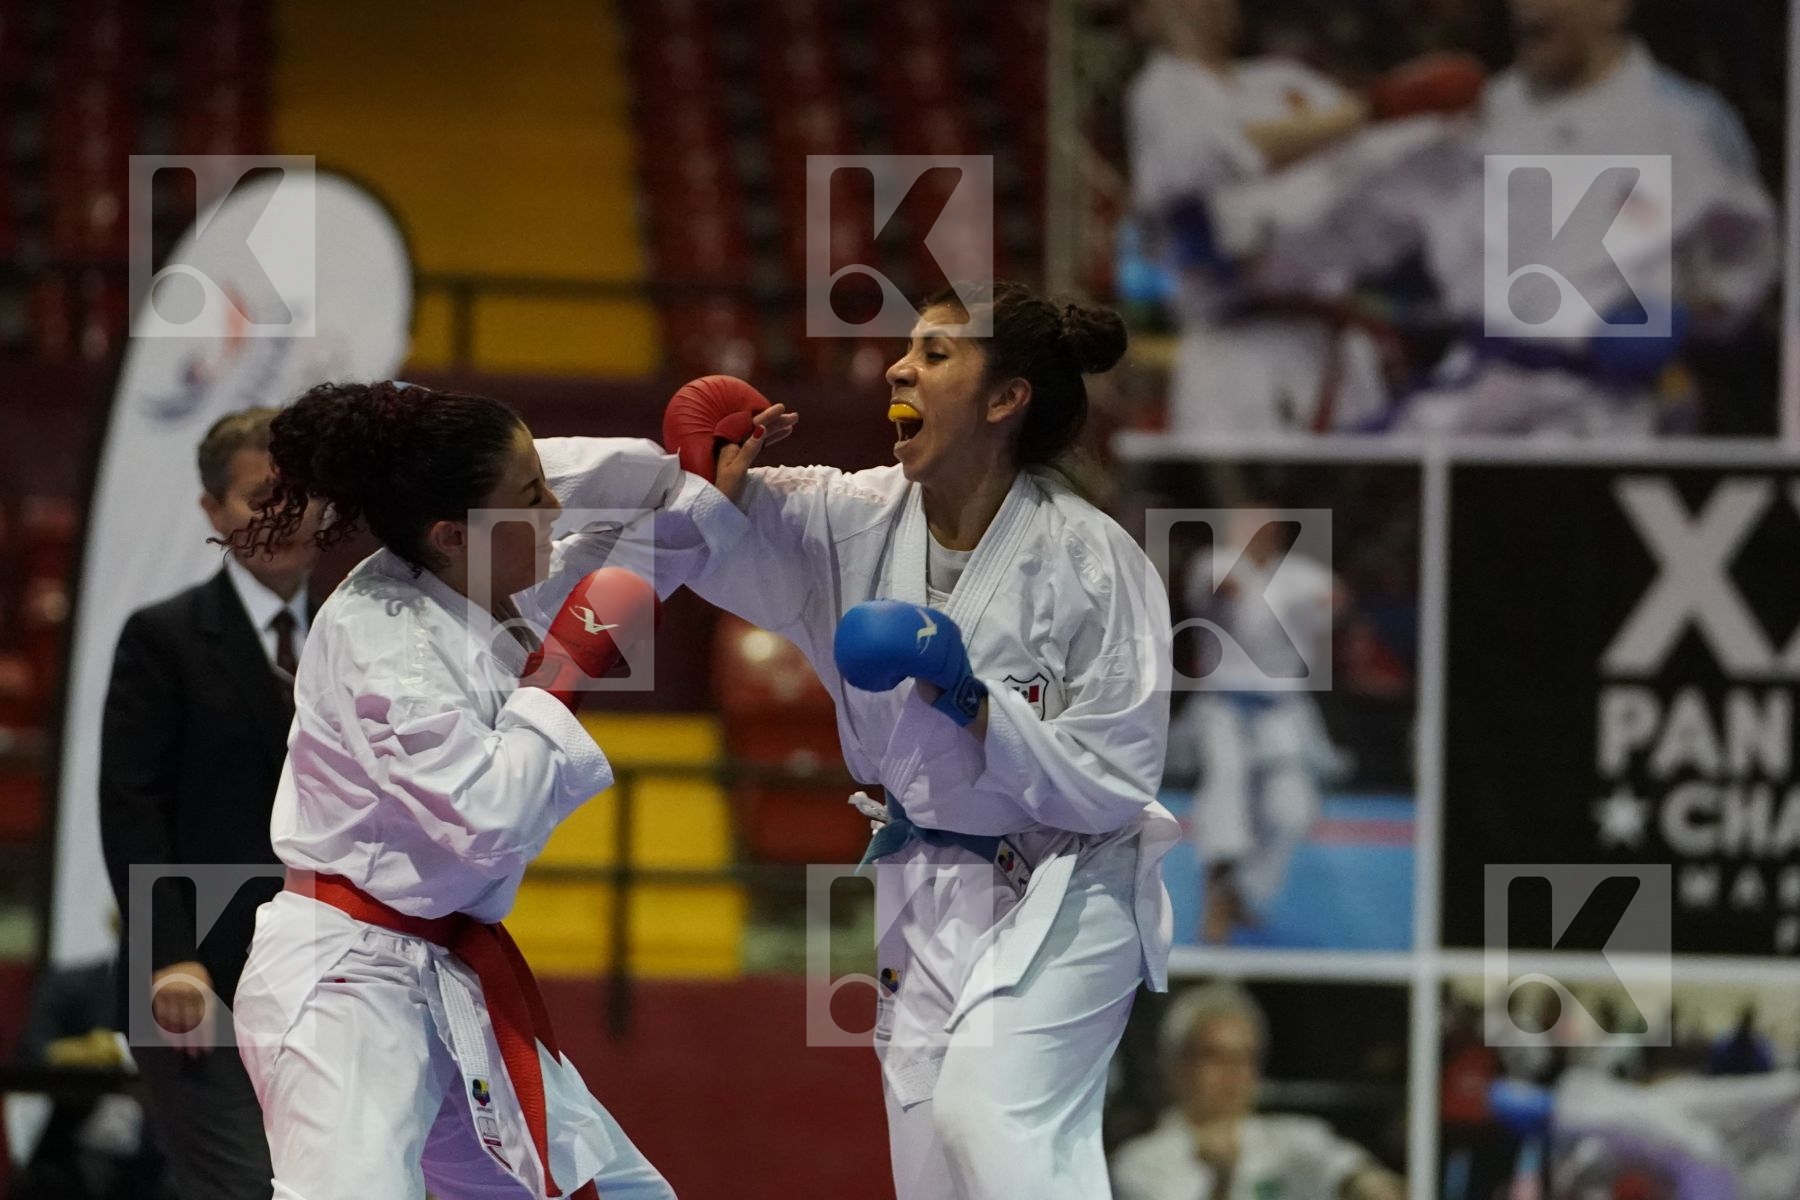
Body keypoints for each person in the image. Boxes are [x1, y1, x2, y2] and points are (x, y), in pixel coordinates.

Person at [675, 281, 1180, 1199]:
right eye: (908, 351)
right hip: (929, 886)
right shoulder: (849, 516)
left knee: (986, 1119)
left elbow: (1116, 782)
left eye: (935, 354)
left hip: (1071, 884)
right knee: (935, 1176)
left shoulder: (1096, 564)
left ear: (1004, 399)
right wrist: (708, 486)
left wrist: (970, 696)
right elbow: (703, 536)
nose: (899, 368)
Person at [227, 380, 768, 1199]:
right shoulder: (392, 650)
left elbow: (607, 541)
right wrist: (557, 680)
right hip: (346, 990)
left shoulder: (470, 566)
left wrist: (693, 481)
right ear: (453, 533)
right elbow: (488, 818)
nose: (556, 507)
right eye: (532, 497)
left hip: (441, 972)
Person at [98, 407, 319, 1200]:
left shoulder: (358, 634)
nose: (285, 517)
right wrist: (167, 958)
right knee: (248, 1189)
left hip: (332, 978)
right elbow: (132, 806)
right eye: (260, 497)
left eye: (301, 494)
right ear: (211, 512)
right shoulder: (166, 639)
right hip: (195, 976)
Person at [1175, 507, 1347, 943]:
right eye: (1242, 524)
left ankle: (1242, 891)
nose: (1250, 532)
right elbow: (1214, 588)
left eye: (1259, 525)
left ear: (1276, 532)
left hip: (1282, 710)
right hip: (1224, 707)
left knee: (1292, 810)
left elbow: (1335, 597)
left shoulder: (1301, 576)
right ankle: (1216, 893)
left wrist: (1331, 603)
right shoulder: (1213, 564)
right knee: (1226, 791)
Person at [1111, 982, 1405, 1200]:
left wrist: (1366, 1183)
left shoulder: (1292, 1137)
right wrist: (1222, 1180)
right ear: (1175, 1066)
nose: (1234, 1074)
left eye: (1245, 1059)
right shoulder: (1140, 1163)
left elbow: (1341, 1166)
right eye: (1216, 1057)